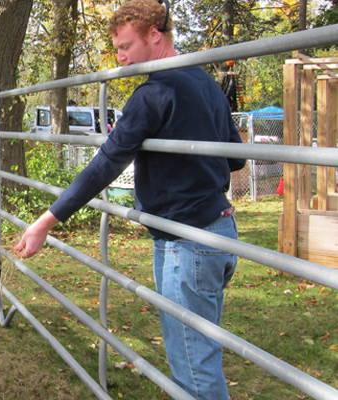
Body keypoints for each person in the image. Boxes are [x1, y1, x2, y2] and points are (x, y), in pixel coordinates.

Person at [14, 1, 245, 399]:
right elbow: (236, 158)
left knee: (194, 367)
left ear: (155, 35)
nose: (121, 57)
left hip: (185, 242)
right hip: (221, 231)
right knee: (200, 353)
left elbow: (103, 166)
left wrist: (45, 222)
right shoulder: (205, 82)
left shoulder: (154, 93)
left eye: (125, 46)